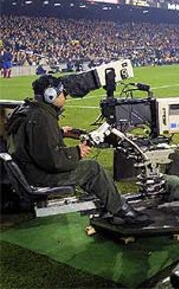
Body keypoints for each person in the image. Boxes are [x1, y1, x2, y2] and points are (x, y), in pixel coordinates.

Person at [6, 75, 150, 225]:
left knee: (88, 169)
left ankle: (108, 203)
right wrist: (77, 151)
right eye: (63, 93)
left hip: (26, 171)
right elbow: (54, 162)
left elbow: (32, 139)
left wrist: (60, 132)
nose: (65, 97)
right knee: (92, 168)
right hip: (39, 176)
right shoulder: (42, 119)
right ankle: (121, 210)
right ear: (51, 95)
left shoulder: (28, 109)